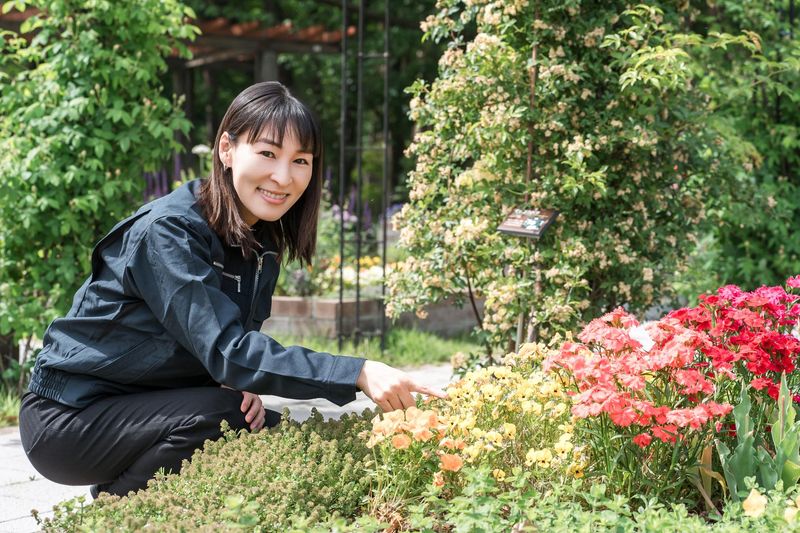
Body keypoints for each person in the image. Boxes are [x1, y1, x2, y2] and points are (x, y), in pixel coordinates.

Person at [18, 81, 444, 498]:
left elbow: (225, 349)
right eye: (267, 153)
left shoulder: (261, 240)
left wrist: (231, 383)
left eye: (300, 160)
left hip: (145, 402)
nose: (283, 176)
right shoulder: (170, 232)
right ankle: (112, 514)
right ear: (227, 149)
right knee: (223, 417)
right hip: (69, 417)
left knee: (277, 433)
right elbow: (229, 351)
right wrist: (358, 372)